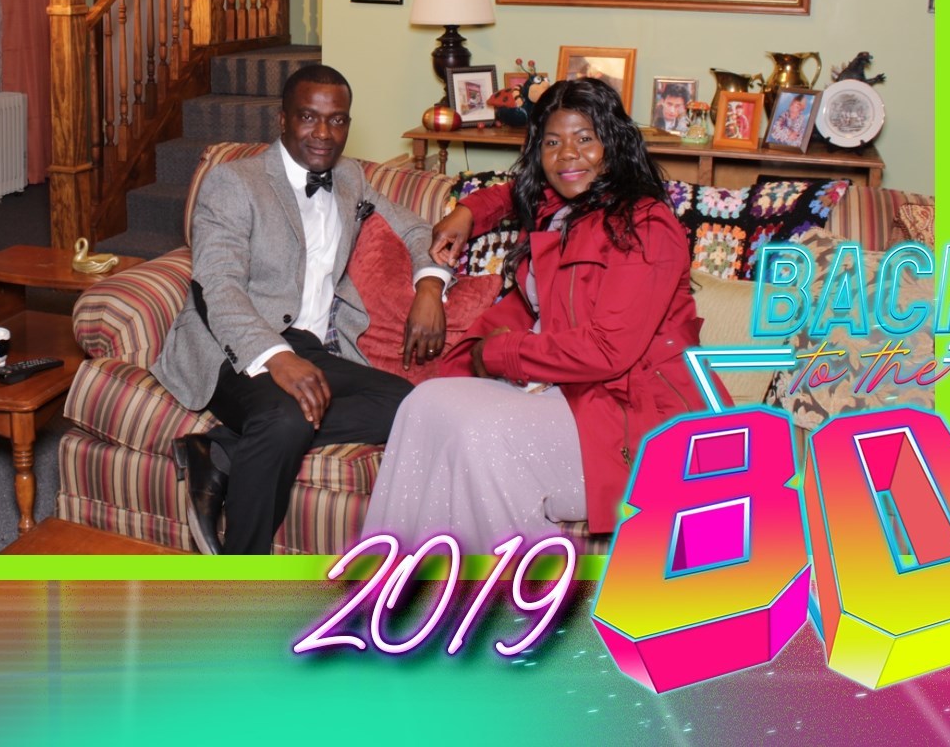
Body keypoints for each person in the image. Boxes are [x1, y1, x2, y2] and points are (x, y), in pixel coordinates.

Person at [360, 77, 718, 548]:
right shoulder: (561, 205)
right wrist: (467, 213)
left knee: (478, 435)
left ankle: (527, 586)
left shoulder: (646, 225)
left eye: (584, 139)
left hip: (635, 416)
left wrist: (501, 353)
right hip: (565, 392)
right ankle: (390, 577)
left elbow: (607, 351)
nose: (567, 154)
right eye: (552, 142)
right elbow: (515, 193)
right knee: (422, 405)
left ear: (613, 145)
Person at [151, 64, 452, 555]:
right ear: (282, 119)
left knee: (408, 404)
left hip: (311, 345)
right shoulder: (234, 182)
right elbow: (218, 285)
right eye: (309, 117)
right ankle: (242, 572)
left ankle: (223, 449)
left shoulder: (350, 177)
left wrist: (429, 287)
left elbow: (416, 229)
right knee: (286, 419)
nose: (324, 133)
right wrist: (276, 356)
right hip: (230, 345)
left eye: (337, 120)